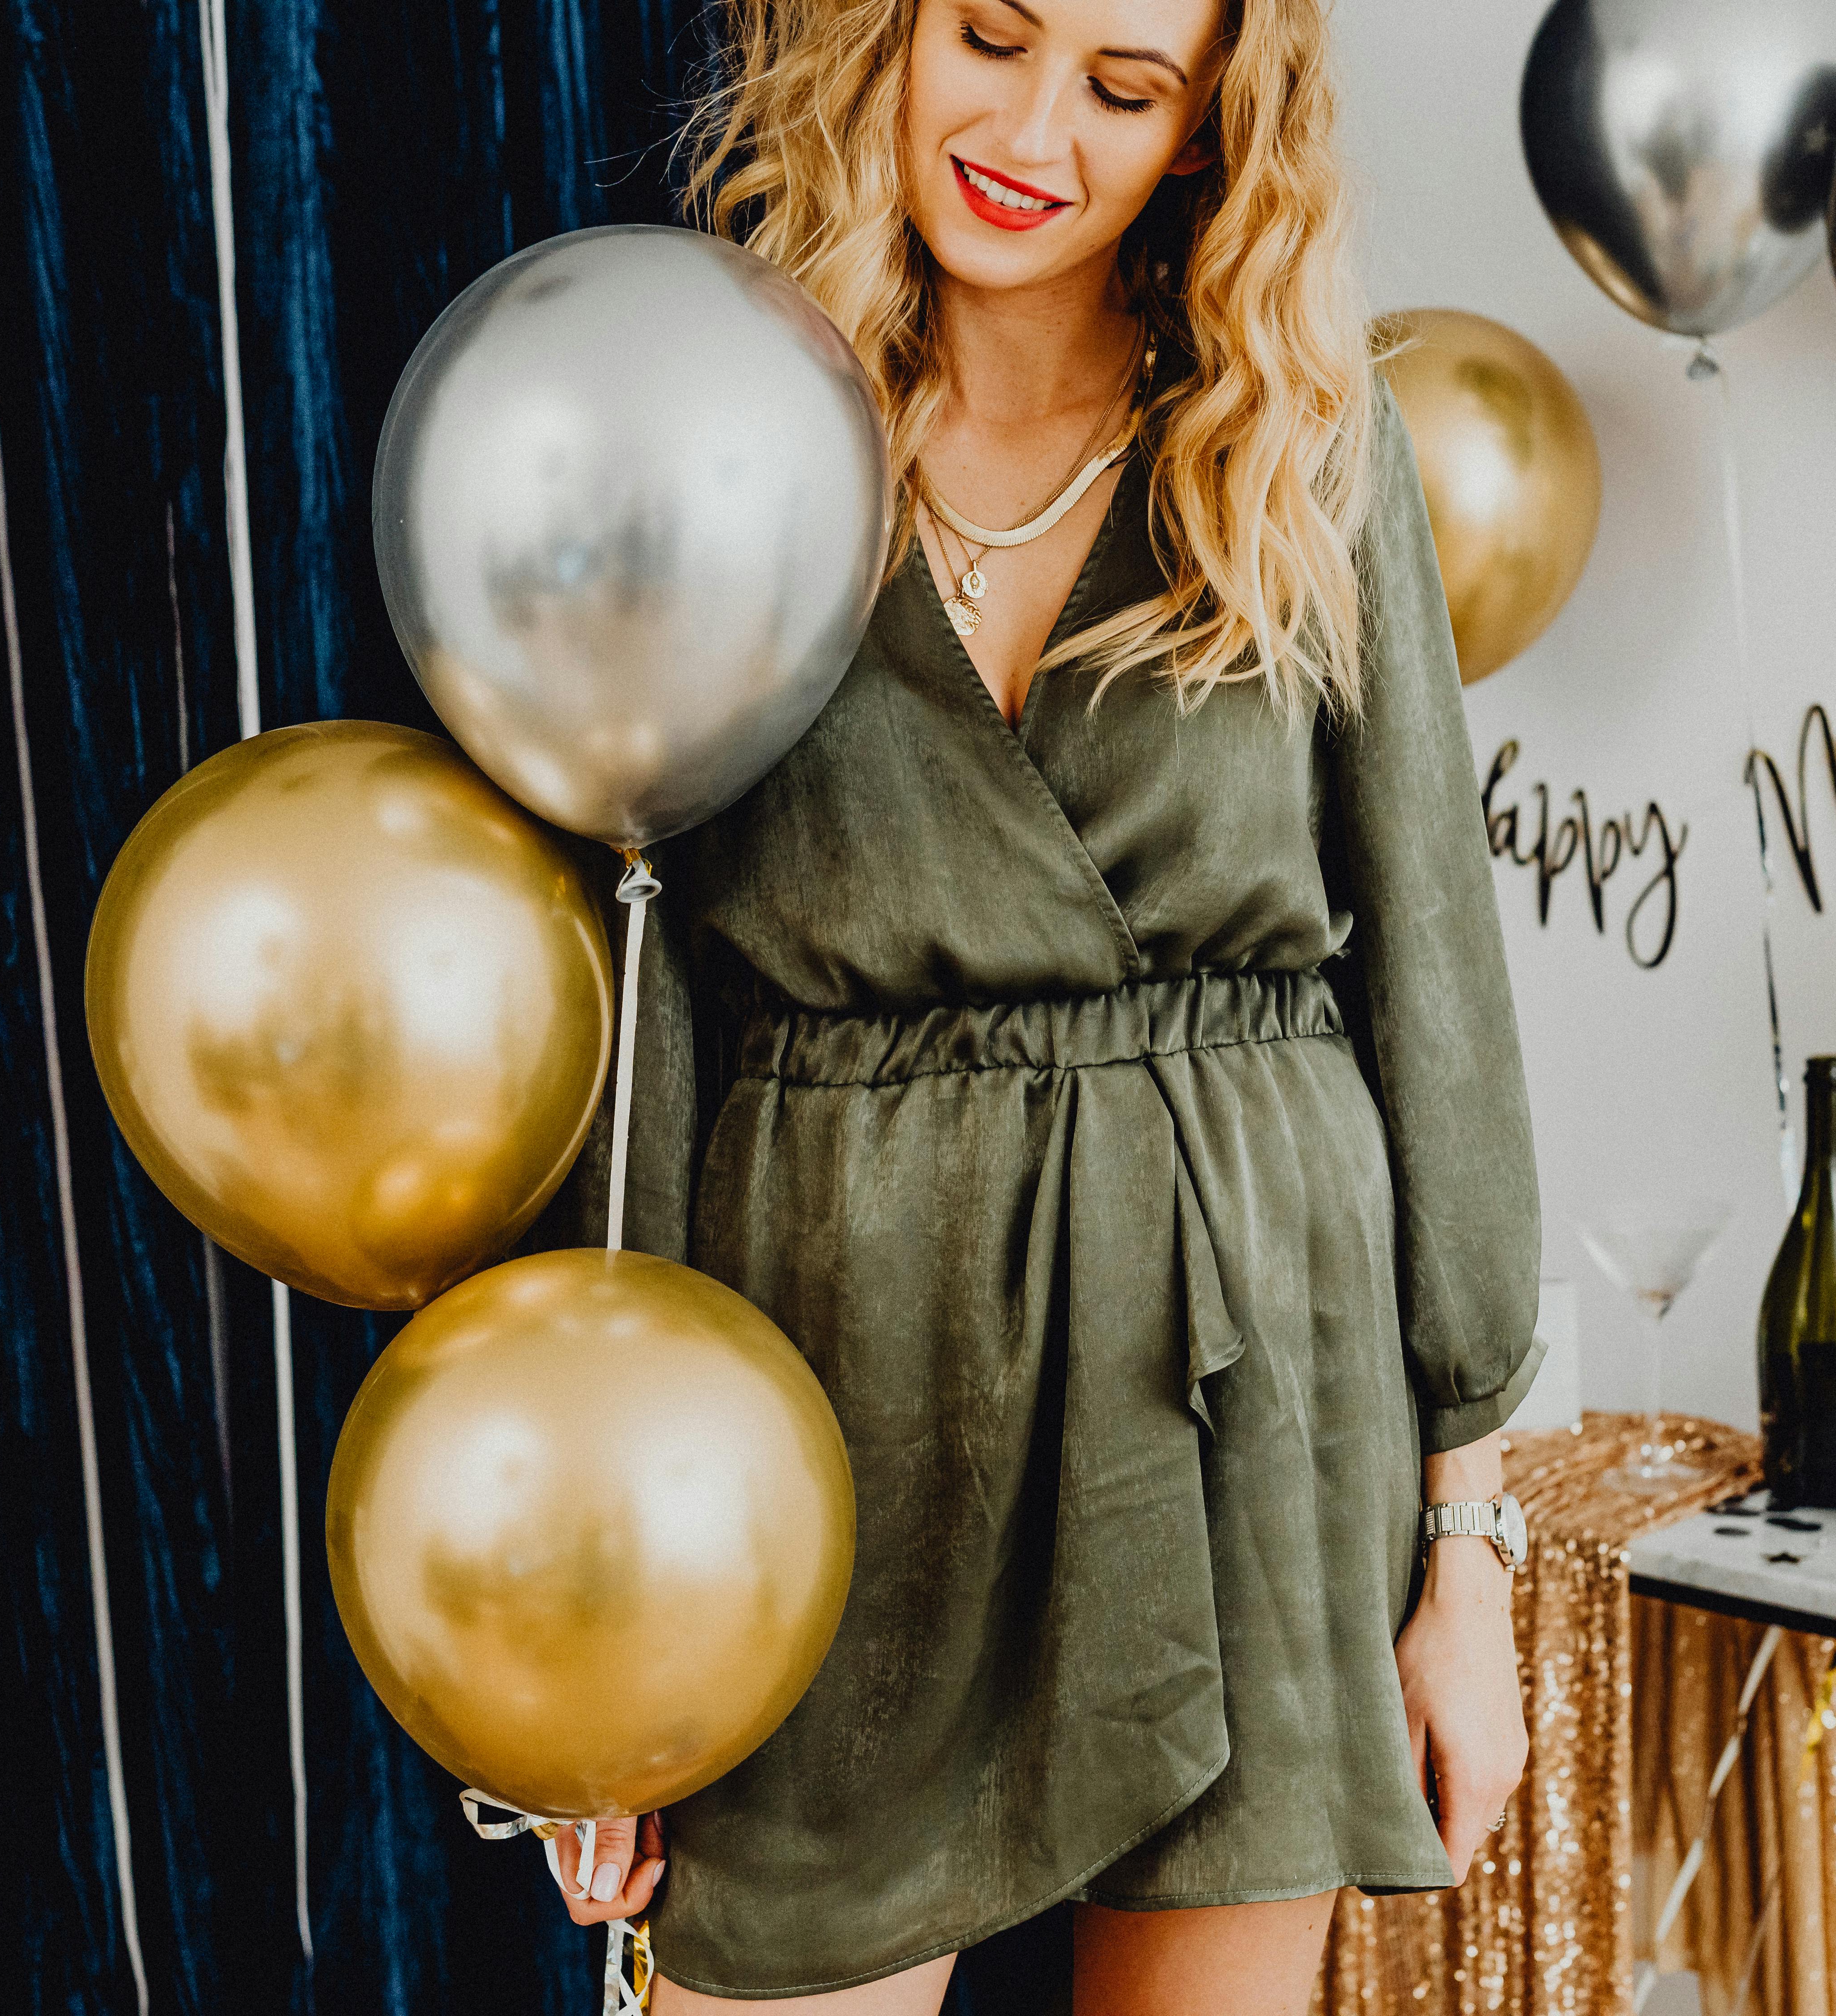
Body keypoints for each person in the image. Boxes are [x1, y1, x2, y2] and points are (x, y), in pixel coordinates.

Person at [538, 1, 1540, 2006]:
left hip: (1255, 1381)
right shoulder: (701, 432)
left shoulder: (1302, 446)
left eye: (1123, 85)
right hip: (834, 1384)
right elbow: (636, 1012)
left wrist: (1473, 1557)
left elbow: (1436, 985)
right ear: (887, 32)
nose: (1031, 130)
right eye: (991, 36)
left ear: (1202, 134)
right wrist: (605, 1624)